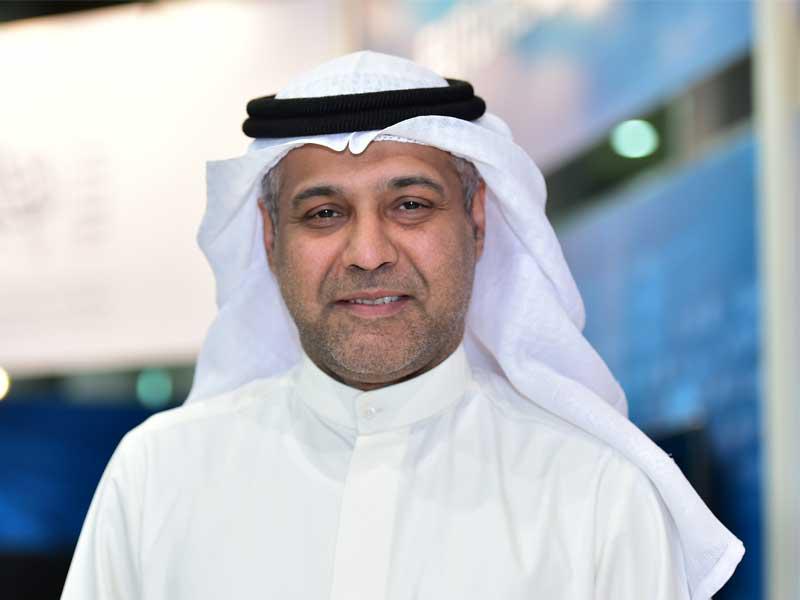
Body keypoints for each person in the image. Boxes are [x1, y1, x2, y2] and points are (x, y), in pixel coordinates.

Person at [61, 51, 742, 600]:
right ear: (269, 237)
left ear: (477, 220)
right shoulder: (157, 480)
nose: (368, 253)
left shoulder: (597, 495)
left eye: (411, 205)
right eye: (324, 214)